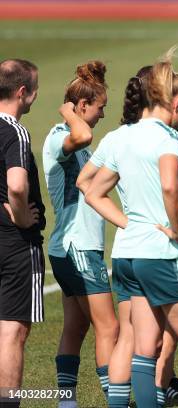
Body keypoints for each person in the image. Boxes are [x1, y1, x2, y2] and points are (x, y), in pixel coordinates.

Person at [85, 54, 178, 408]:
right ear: (175, 103)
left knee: (144, 347)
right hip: (162, 256)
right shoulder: (168, 139)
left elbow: (91, 191)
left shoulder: (121, 137)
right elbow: (169, 186)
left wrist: (127, 224)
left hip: (127, 256)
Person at [42, 61, 117, 407]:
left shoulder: (77, 143)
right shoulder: (62, 137)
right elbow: (83, 133)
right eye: (99, 107)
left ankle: (66, 402)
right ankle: (115, 398)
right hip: (78, 249)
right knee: (109, 327)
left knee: (76, 328)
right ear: (82, 107)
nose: (103, 114)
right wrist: (67, 111)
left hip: (74, 248)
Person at [0, 58, 45, 407]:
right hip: (14, 245)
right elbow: (17, 186)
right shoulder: (14, 130)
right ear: (21, 92)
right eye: (34, 89)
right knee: (12, 332)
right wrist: (22, 218)